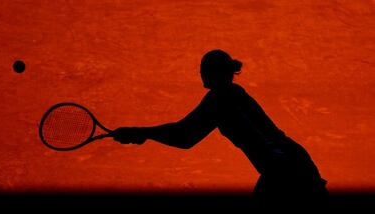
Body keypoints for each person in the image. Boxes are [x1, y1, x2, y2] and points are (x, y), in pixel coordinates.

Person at [112, 49, 328, 200]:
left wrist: (140, 132)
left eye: (202, 69)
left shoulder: (220, 98)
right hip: (292, 165)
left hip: (284, 171)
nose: (200, 73)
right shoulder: (235, 94)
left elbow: (184, 136)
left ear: (210, 73)